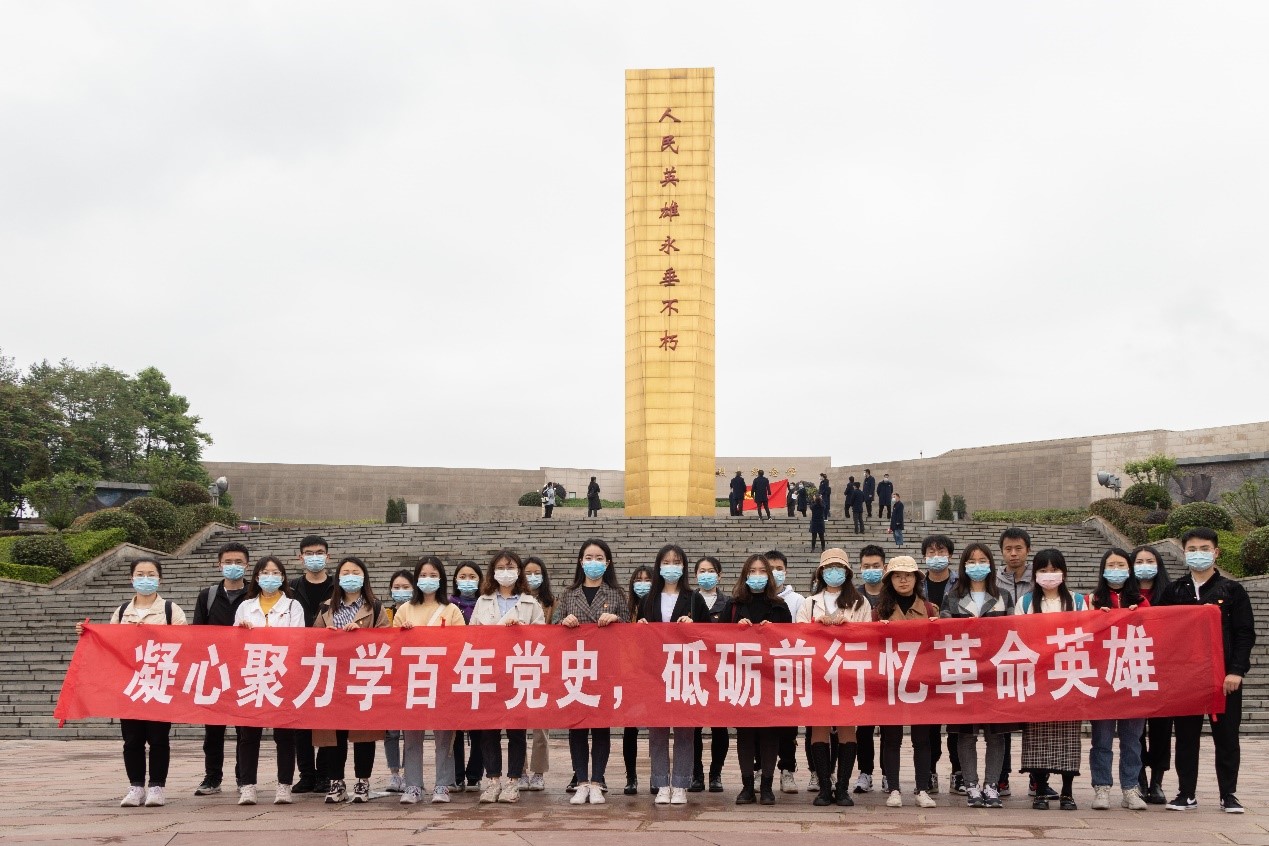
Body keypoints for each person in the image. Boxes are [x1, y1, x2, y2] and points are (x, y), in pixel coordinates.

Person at [1158, 527, 1256, 814]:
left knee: (1226, 737)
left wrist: (1236, 670)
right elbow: (1160, 630)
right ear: (1184, 552)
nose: (1197, 554)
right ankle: (1186, 793)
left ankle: (1229, 794)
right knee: (1186, 737)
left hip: (1224, 678)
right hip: (1186, 679)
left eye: (1204, 548)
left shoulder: (1233, 590)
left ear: (1216, 552)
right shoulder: (1174, 591)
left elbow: (1244, 633)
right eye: (1192, 549)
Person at [76, 557, 187, 807]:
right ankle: (136, 786)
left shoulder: (171, 609)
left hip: (159, 684)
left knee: (158, 738)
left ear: (160, 579)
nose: (145, 578)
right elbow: (110, 643)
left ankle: (157, 786)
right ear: (131, 578)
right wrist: (88, 634)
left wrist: (152, 633)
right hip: (130, 685)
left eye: (150, 574)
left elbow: (185, 641)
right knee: (132, 739)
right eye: (140, 574)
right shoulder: (123, 611)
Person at [940, 544, 1015, 809]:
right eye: (971, 561)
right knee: (966, 733)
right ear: (963, 566)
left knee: (996, 734)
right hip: (964, 672)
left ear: (991, 565)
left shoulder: (1004, 596)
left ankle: (992, 785)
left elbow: (1013, 632)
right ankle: (971, 784)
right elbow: (944, 633)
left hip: (995, 674)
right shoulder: (951, 597)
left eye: (982, 560)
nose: (977, 565)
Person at [557, 538, 630, 805]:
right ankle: (581, 781)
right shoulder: (568, 594)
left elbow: (632, 633)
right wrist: (564, 622)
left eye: (599, 558)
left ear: (607, 563)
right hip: (575, 671)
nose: (593, 563)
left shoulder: (616, 594)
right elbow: (553, 629)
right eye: (588, 558)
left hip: (605, 670)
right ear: (580, 562)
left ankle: (597, 781)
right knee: (577, 727)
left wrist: (617, 620)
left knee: (600, 727)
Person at [313, 556, 391, 803]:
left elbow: (387, 641)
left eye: (355, 572)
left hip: (363, 676)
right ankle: (336, 782)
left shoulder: (375, 607)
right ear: (338, 577)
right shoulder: (326, 607)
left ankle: (362, 782)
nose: (350, 576)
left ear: (364, 576)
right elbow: (312, 641)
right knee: (333, 734)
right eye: (345, 572)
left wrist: (362, 635)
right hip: (333, 678)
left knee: (363, 733)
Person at [796, 548, 870, 806]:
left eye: (839, 568)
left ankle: (843, 788)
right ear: (821, 572)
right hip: (818, 674)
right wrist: (819, 626)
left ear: (847, 573)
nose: (833, 573)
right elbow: (799, 637)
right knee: (819, 729)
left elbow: (867, 637)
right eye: (829, 568)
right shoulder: (809, 603)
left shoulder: (860, 602)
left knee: (848, 729)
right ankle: (824, 787)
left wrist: (846, 628)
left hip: (848, 673)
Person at [637, 544, 709, 805]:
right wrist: (642, 627)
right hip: (656, 672)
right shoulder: (649, 599)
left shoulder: (693, 598)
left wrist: (694, 626)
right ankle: (660, 782)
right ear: (659, 566)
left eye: (676, 562)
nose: (671, 567)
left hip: (685, 670)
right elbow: (640, 639)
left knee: (684, 731)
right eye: (666, 562)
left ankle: (680, 783)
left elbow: (710, 634)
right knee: (657, 730)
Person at [471, 551, 544, 803]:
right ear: (492, 571)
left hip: (519, 673)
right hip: (490, 672)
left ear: (519, 571)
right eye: (500, 567)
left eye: (510, 567)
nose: (505, 571)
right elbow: (472, 637)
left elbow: (542, 638)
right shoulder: (482, 601)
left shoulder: (530, 603)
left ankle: (513, 781)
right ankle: (492, 781)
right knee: (489, 730)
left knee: (516, 731)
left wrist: (520, 631)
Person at [1016, 548, 1085, 811]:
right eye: (1043, 570)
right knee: (1037, 736)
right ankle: (1040, 789)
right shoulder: (1025, 603)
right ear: (1035, 574)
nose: (1049, 575)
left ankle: (1067, 791)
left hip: (1070, 674)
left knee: (1068, 735)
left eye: (1054, 570)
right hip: (1038, 676)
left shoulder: (1078, 602)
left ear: (1064, 573)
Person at [233, 555, 305, 805]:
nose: (270, 577)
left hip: (282, 676)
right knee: (248, 735)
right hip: (252, 676)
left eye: (276, 573)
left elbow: (297, 642)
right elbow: (234, 643)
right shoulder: (245, 606)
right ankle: (248, 786)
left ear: (283, 577)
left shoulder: (293, 606)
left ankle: (284, 785)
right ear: (256, 577)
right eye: (265, 572)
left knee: (284, 735)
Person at [395, 556, 465, 804]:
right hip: (413, 680)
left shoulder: (452, 610)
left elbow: (461, 646)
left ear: (442, 579)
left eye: (433, 575)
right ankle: (413, 784)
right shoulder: (404, 610)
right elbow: (394, 647)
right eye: (423, 575)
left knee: (444, 736)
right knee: (412, 734)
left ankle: (443, 785)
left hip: (443, 680)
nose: (428, 579)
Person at [1085, 547, 1149, 811]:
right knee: (1101, 738)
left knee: (1132, 739)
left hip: (1133, 676)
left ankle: (1130, 789)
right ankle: (1101, 788)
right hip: (1102, 679)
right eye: (1111, 565)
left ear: (1130, 569)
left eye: (1121, 565)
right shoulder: (1093, 599)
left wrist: (1140, 615)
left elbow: (1153, 632)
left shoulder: (1141, 600)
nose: (1116, 570)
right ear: (1102, 570)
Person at [873, 555, 939, 808]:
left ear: (916, 579)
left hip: (921, 683)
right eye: (898, 575)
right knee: (892, 738)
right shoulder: (879, 612)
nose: (903, 579)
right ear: (890, 580)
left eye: (908, 575)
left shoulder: (930, 609)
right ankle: (894, 788)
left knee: (922, 738)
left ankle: (922, 788)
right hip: (891, 682)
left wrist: (938, 627)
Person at [729, 554, 793, 805]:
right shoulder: (733, 605)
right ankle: (747, 786)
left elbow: (790, 641)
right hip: (741, 678)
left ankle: (766, 785)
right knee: (745, 734)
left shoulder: (779, 606)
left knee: (769, 733)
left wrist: (773, 631)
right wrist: (736, 628)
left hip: (770, 680)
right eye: (752, 571)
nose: (757, 576)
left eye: (761, 571)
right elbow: (717, 639)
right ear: (745, 575)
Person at [192, 541, 251, 798]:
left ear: (247, 565)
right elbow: (197, 634)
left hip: (247, 670)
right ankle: (212, 777)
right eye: (228, 562)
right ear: (219, 565)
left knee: (245, 730)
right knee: (213, 730)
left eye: (238, 562)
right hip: (215, 671)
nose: (233, 566)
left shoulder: (254, 595)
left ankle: (243, 777)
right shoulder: (208, 596)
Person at [289, 535, 335, 795]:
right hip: (297, 662)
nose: (314, 557)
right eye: (309, 553)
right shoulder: (292, 588)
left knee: (328, 720)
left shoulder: (337, 587)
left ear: (327, 556)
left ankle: (325, 775)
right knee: (300, 723)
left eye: (319, 552)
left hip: (329, 662)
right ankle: (306, 774)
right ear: (300, 557)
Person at [1130, 545, 1172, 804]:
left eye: (1150, 560)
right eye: (1139, 561)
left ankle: (1157, 780)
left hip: (1165, 668)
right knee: (1135, 728)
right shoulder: (1125, 594)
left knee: (1162, 728)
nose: (1144, 565)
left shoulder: (1172, 592)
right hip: (1133, 667)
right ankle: (1139, 778)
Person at [920, 534, 961, 794]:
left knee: (956, 720)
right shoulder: (916, 583)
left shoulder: (961, 583)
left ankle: (958, 772)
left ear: (950, 554)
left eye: (941, 550)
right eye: (931, 551)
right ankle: (930, 770)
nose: (936, 555)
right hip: (925, 660)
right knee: (930, 722)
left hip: (954, 657)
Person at [993, 526, 1033, 796]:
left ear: (1027, 550)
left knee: (1034, 719)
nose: (1013, 553)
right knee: (1003, 720)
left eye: (1018, 548)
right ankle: (1002, 776)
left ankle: (1036, 776)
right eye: (1008, 549)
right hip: (1003, 657)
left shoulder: (1041, 577)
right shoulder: (994, 581)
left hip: (1035, 656)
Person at [766, 549, 804, 794]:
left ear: (786, 570)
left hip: (788, 670)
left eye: (778, 568)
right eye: (769, 569)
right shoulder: (751, 597)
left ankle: (787, 769)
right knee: (761, 724)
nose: (774, 573)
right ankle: (760, 767)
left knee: (788, 726)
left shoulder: (798, 600)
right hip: (759, 672)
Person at [692, 556, 731, 792]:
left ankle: (716, 773)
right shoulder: (688, 601)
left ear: (719, 575)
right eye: (702, 571)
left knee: (719, 726)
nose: (706, 575)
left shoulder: (729, 603)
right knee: (693, 726)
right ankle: (696, 774)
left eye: (711, 571)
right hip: (693, 669)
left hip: (719, 670)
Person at [851, 544, 887, 795]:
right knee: (863, 727)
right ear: (859, 569)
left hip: (889, 668)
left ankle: (888, 773)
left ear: (884, 567)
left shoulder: (894, 593)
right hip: (862, 669)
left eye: (876, 566)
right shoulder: (852, 597)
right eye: (866, 567)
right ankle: (865, 772)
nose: (871, 570)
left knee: (889, 726)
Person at [449, 560, 484, 792]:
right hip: (453, 669)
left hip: (481, 668)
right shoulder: (448, 605)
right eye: (463, 576)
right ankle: (456, 774)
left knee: (480, 726)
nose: (467, 581)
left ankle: (474, 774)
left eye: (472, 576)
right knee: (455, 726)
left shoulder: (484, 603)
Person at [621, 564, 656, 796]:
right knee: (630, 728)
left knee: (656, 728)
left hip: (654, 673)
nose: (642, 583)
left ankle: (656, 775)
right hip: (629, 673)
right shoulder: (626, 608)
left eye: (647, 579)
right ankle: (631, 776)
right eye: (638, 579)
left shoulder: (656, 607)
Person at [522, 556, 555, 792]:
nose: (532, 577)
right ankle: (520, 771)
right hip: (519, 664)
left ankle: (538, 772)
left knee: (541, 725)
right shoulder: (517, 601)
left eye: (536, 572)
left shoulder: (551, 602)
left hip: (544, 665)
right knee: (518, 722)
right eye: (527, 572)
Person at [382, 569, 416, 794]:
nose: (401, 591)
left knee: (411, 730)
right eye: (397, 587)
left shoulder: (417, 612)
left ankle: (410, 773)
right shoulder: (384, 613)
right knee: (391, 731)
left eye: (406, 587)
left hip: (413, 674)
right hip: (389, 676)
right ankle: (395, 773)